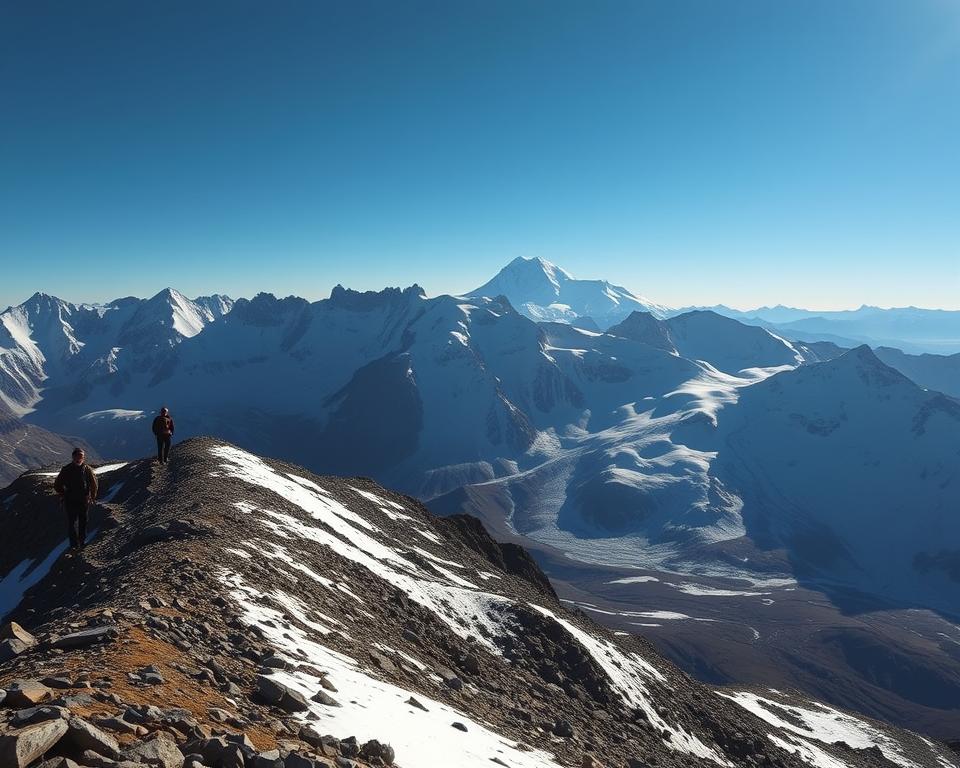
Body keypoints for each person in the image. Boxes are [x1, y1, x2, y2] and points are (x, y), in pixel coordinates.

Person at [54, 448, 98, 551]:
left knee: (83, 521)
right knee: (73, 522)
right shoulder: (66, 470)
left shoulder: (87, 469)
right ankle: (74, 545)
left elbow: (93, 483)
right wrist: (63, 494)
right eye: (77, 457)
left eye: (81, 457)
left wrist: (92, 496)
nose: (79, 459)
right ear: (73, 457)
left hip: (83, 500)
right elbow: (57, 485)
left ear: (83, 458)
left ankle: (81, 542)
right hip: (71, 500)